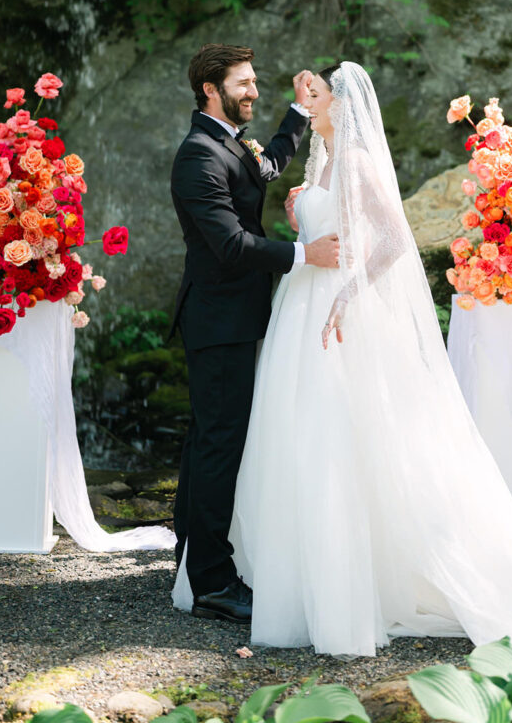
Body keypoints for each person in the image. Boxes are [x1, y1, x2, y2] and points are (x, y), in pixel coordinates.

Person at [173, 60, 512, 655]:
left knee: (330, 436)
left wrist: (347, 289)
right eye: (252, 86)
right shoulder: (304, 158)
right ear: (212, 90)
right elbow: (282, 228)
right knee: (287, 435)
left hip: (332, 309)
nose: (300, 100)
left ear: (340, 104)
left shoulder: (351, 158)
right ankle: (259, 564)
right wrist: (302, 223)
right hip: (295, 308)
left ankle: (329, 572)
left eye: (314, 95)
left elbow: (393, 240)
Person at [170, 44, 339, 624]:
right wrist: (303, 253)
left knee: (207, 441)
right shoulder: (198, 155)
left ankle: (191, 555)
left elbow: (265, 167)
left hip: (232, 317)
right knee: (219, 444)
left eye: (255, 82)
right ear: (211, 89)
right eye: (244, 83)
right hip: (217, 320)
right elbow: (231, 246)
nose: (254, 91)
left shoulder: (226, 141)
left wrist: (297, 112)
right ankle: (214, 582)